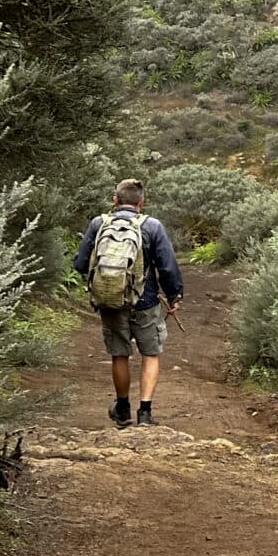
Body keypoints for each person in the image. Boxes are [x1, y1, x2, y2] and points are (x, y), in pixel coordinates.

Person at [75, 178, 183, 427]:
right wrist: (175, 295)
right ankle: (144, 412)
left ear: (115, 200)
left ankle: (122, 407)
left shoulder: (98, 224)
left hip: (111, 301)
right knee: (151, 354)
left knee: (119, 355)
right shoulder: (153, 226)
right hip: (145, 302)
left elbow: (81, 264)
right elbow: (167, 267)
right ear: (141, 202)